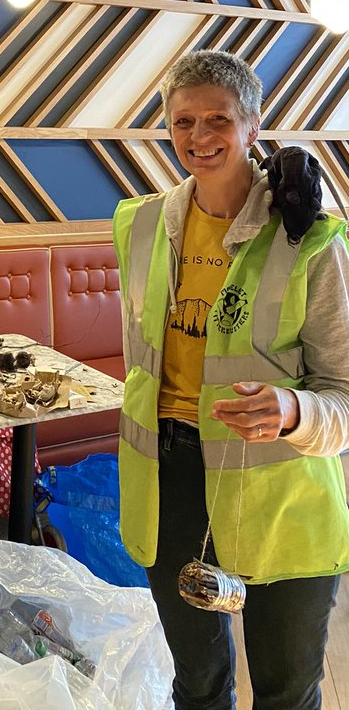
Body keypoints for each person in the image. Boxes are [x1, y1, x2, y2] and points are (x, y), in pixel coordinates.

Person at [113, 49, 349, 710]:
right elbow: (145, 361)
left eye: (218, 119)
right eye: (183, 121)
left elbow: (344, 392)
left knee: (284, 687)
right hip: (169, 478)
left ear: (252, 124)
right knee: (198, 681)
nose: (199, 137)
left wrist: (294, 409)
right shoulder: (136, 227)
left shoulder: (312, 240)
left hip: (281, 490)